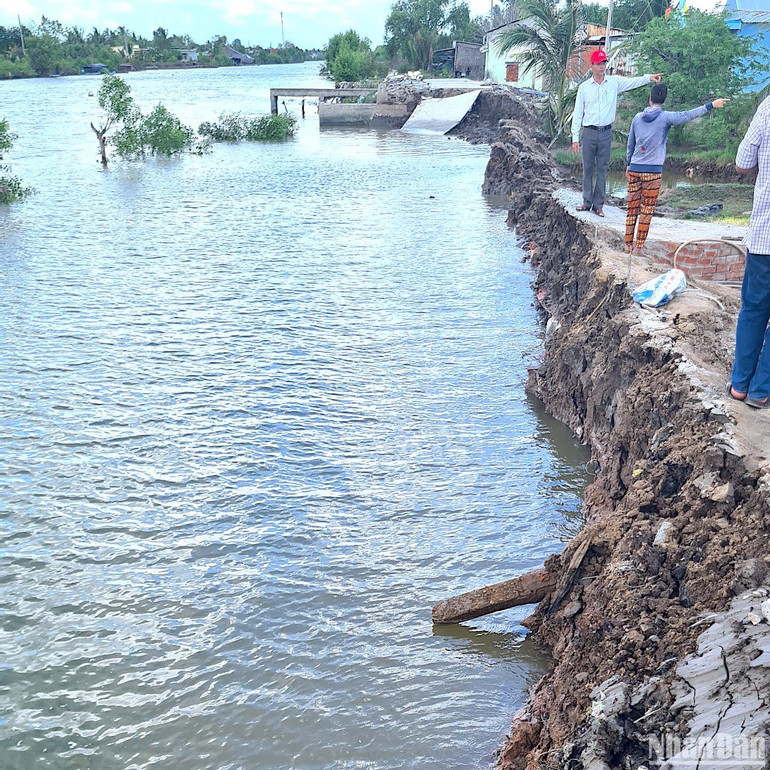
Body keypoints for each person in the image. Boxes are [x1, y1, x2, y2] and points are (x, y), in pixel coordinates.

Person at [625, 83, 728, 254]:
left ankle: (627, 244)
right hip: (653, 172)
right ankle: (638, 248)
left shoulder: (637, 118)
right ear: (664, 100)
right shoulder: (666, 117)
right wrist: (711, 105)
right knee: (646, 210)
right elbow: (688, 115)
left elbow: (631, 144)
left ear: (650, 98)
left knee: (632, 208)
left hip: (635, 168)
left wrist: (629, 164)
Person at [571, 50, 662, 217]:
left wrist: (649, 78)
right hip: (589, 132)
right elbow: (578, 113)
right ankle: (586, 201)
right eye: (598, 64)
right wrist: (575, 138)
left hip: (605, 132)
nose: (602, 67)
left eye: (604, 63)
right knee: (588, 168)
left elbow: (632, 82)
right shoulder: (584, 88)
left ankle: (598, 205)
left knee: (602, 169)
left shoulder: (614, 82)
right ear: (592, 66)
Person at [729, 94, 770, 408]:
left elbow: (743, 163)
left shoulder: (768, 106)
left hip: (763, 236)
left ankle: (740, 385)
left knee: (754, 310)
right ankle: (760, 390)